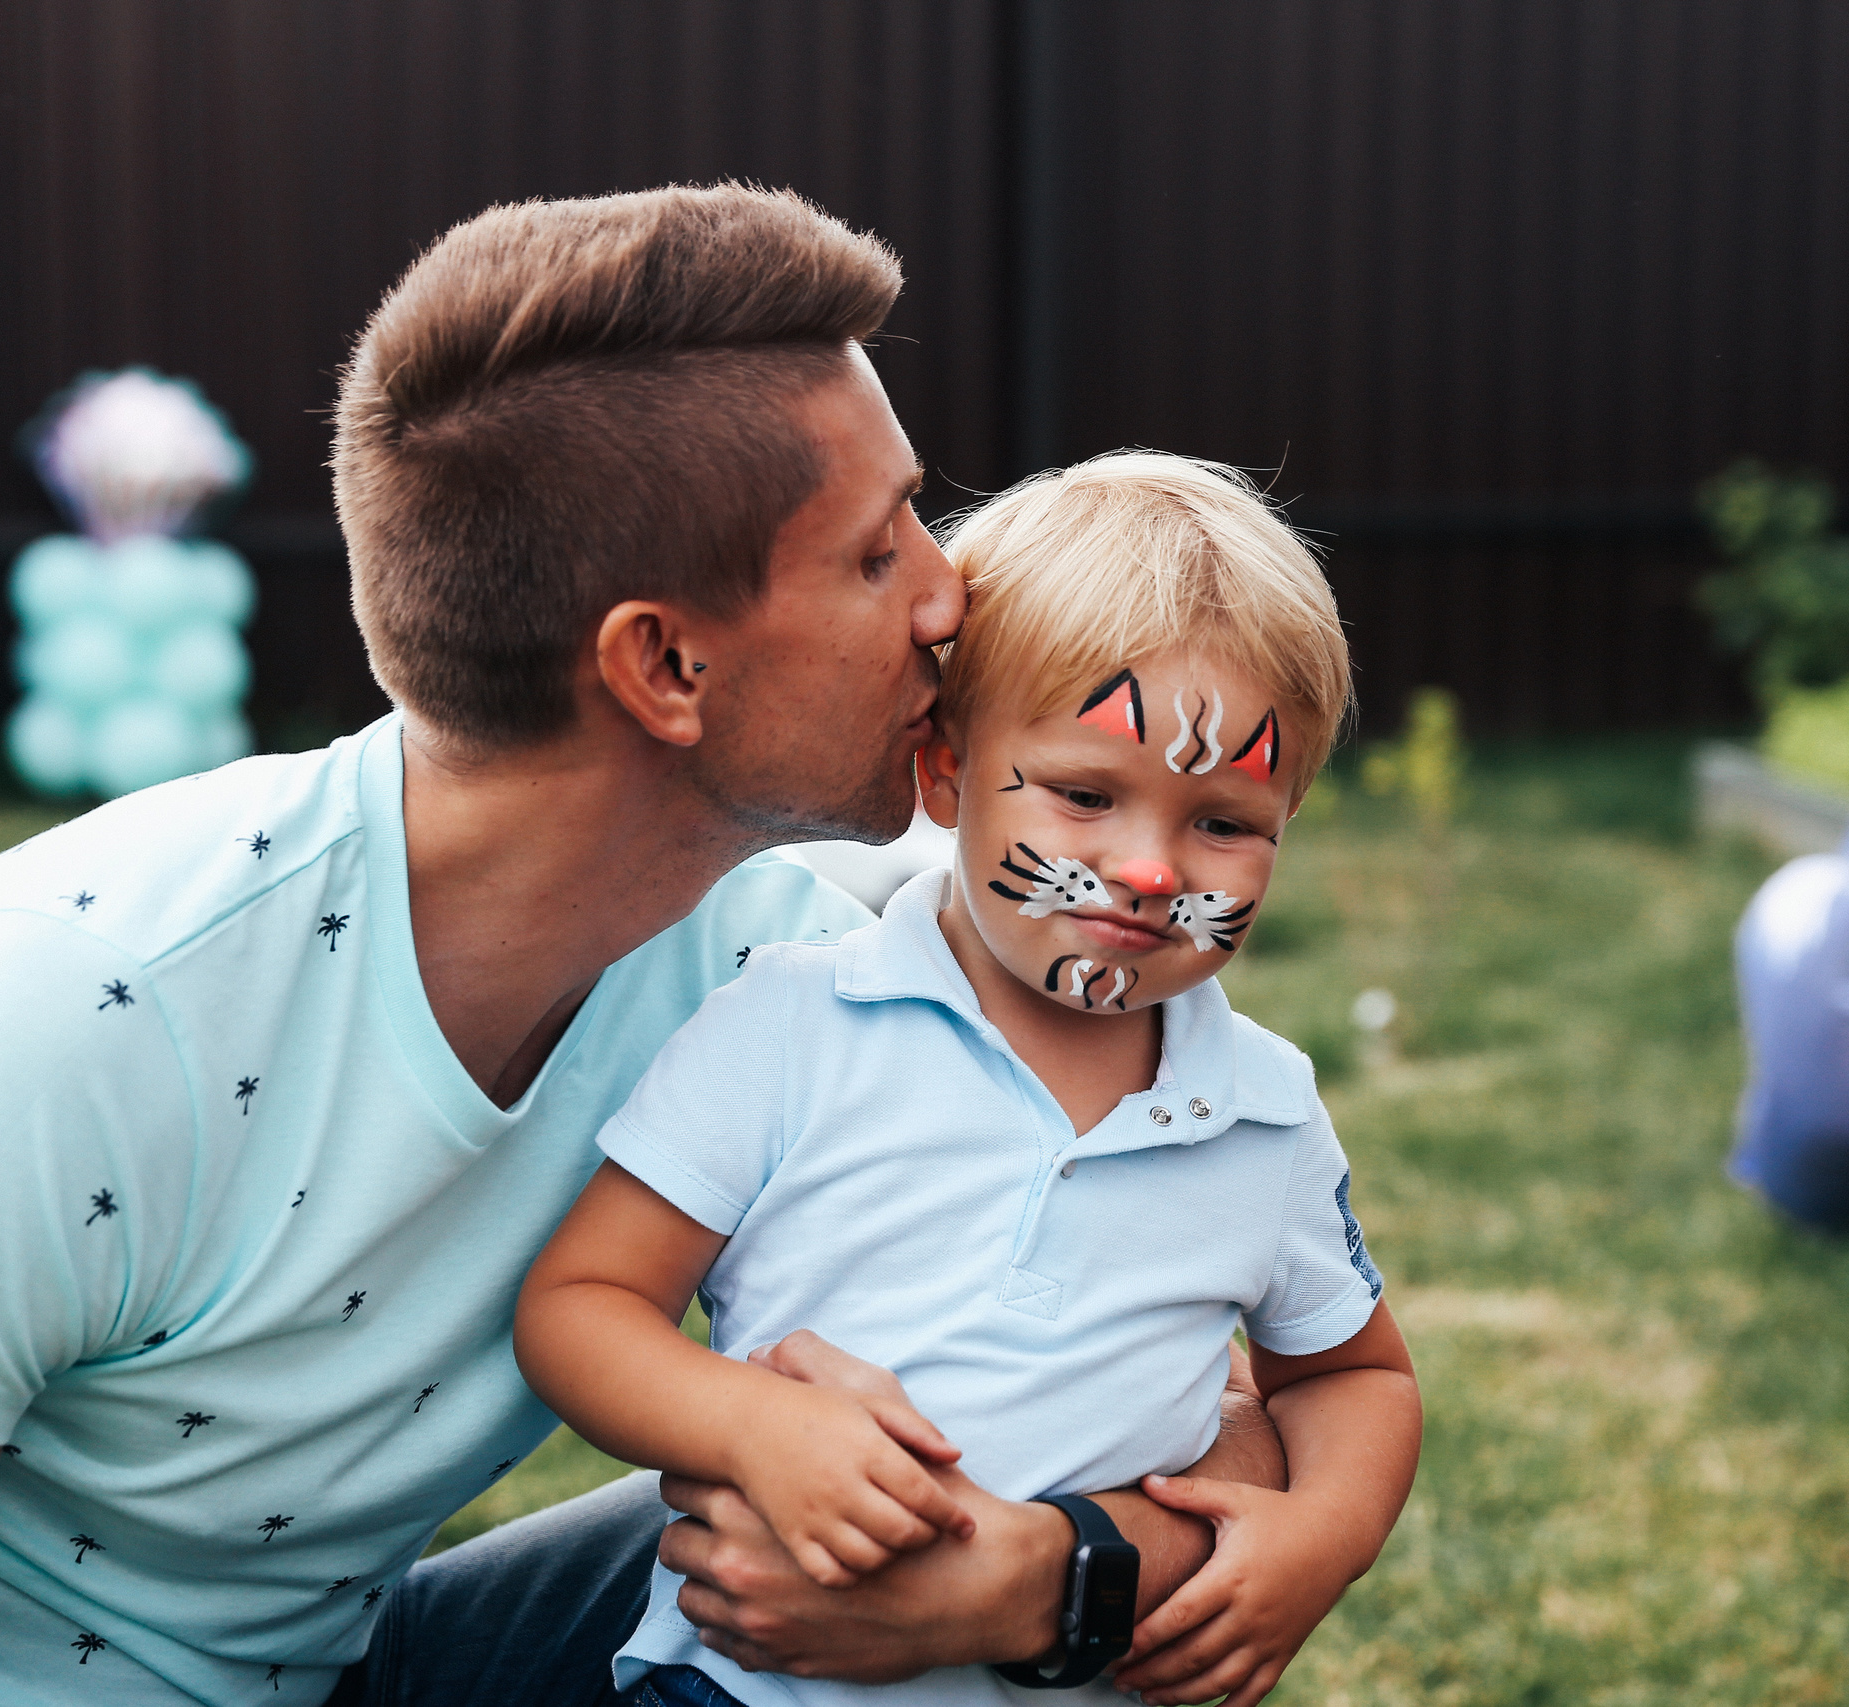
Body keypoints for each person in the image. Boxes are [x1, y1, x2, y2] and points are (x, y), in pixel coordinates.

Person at [0, 185, 1281, 1706]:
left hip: (350, 1675)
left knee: (931, 1529)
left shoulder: (775, 976)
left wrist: (1045, 1574)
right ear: (663, 661)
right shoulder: (54, 1034)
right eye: (874, 550)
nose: (947, 595)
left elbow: (1211, 1410)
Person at [515, 453, 1425, 1707]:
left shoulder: (1261, 1113)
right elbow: (581, 1304)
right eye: (1085, 794)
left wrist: (1320, 1539)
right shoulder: (795, 1022)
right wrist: (751, 1427)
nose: (1151, 869)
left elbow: (1352, 1375)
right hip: (741, 1683)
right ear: (945, 773)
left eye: (1222, 822)